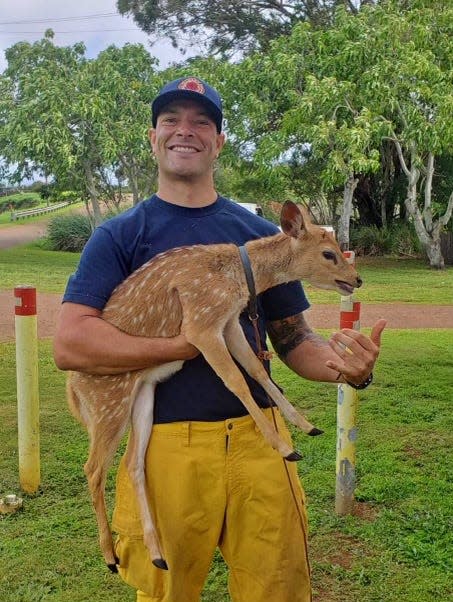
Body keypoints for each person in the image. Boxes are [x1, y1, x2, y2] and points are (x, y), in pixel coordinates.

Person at [54, 76, 386, 602]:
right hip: (167, 447)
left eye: (201, 122)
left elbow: (294, 338)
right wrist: (186, 345)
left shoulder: (259, 233)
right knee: (168, 592)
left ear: (218, 141)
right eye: (172, 120)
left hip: (260, 444)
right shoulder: (119, 235)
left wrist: (349, 368)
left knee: (276, 588)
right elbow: (71, 345)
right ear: (154, 136)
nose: (185, 131)